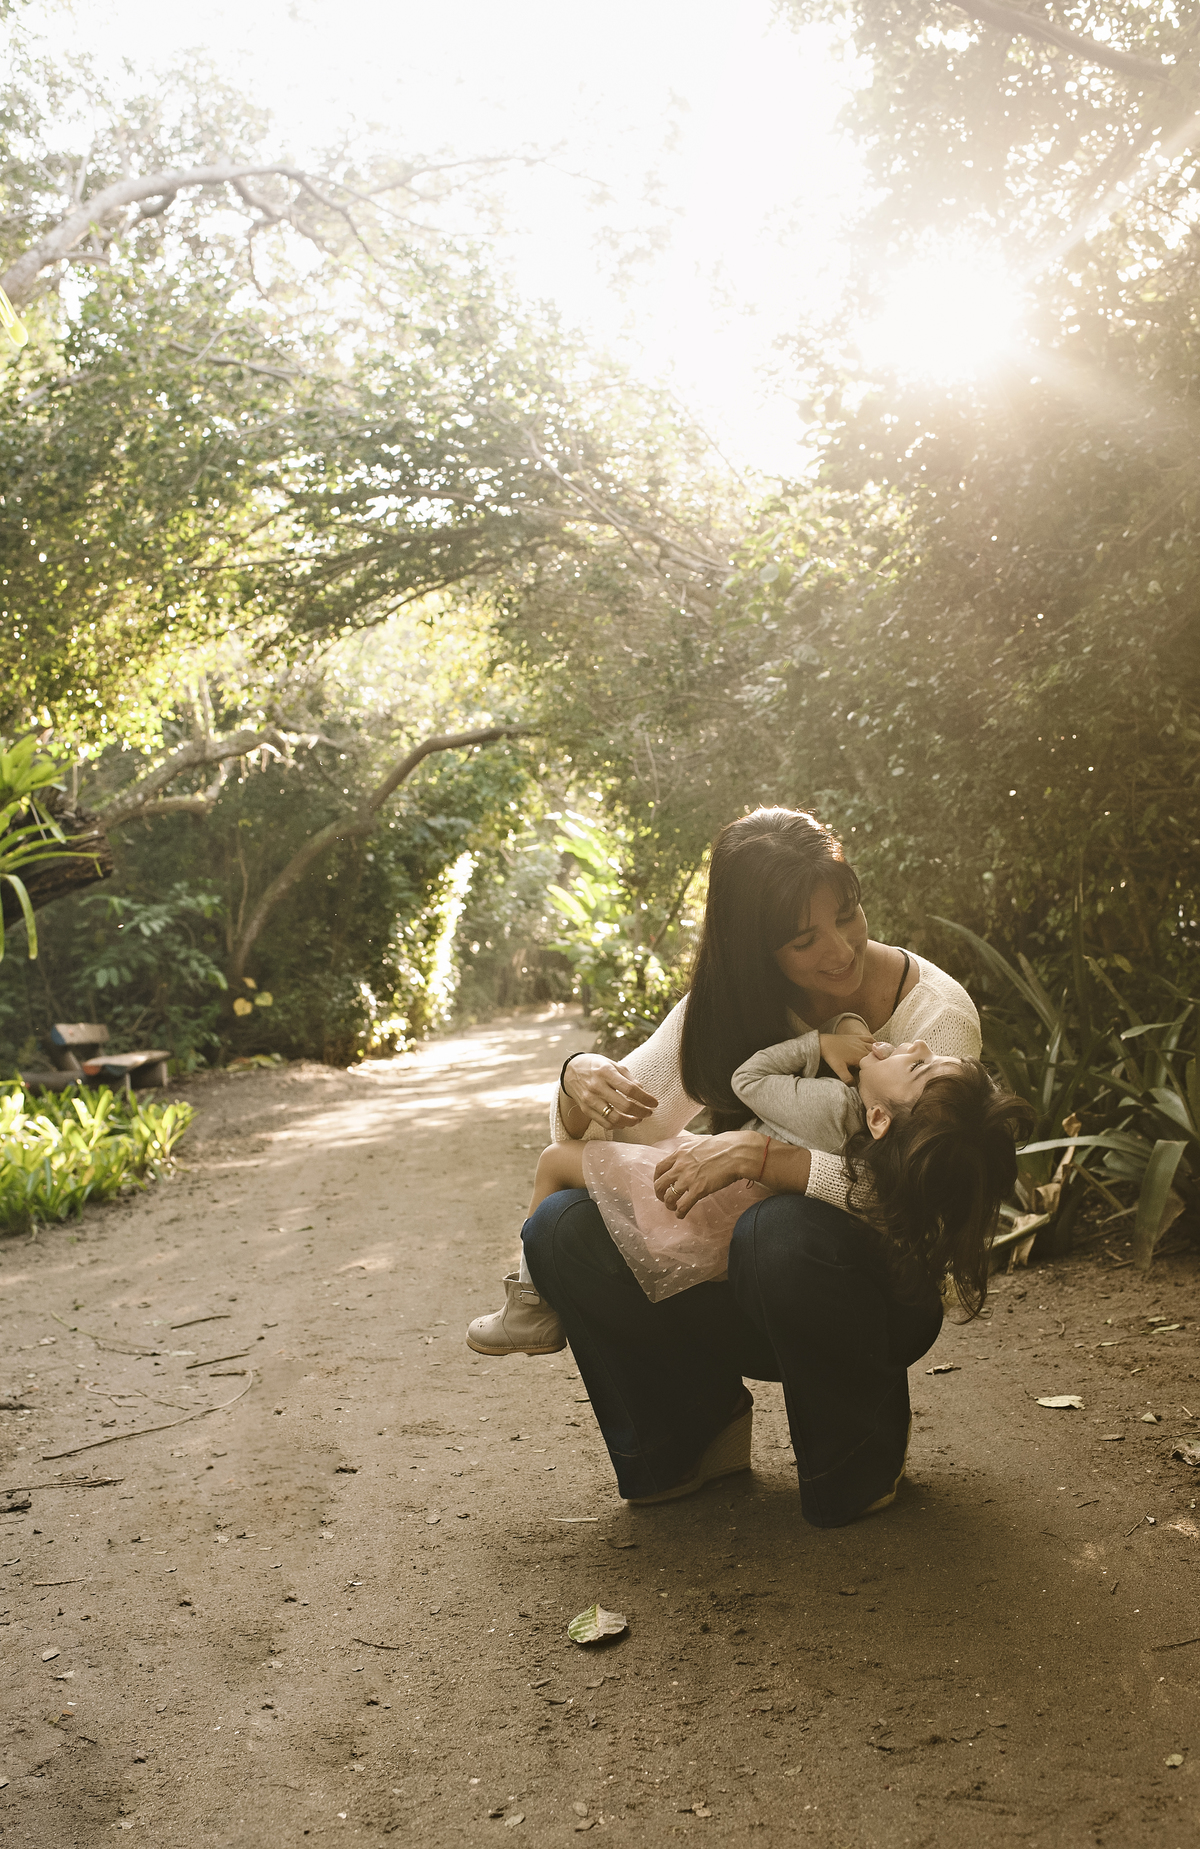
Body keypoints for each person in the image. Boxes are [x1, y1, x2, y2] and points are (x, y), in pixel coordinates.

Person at [469, 806, 1028, 1526]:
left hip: (871, 1291)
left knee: (779, 1230)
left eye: (847, 913)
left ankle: (853, 1454)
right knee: (561, 1226)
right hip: (734, 1280)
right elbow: (618, 1128)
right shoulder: (731, 1007)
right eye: (804, 939)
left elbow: (925, 1202)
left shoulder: (934, 1023)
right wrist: (577, 1077)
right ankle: (691, 1431)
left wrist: (770, 1156)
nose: (841, 948)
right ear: (756, 950)